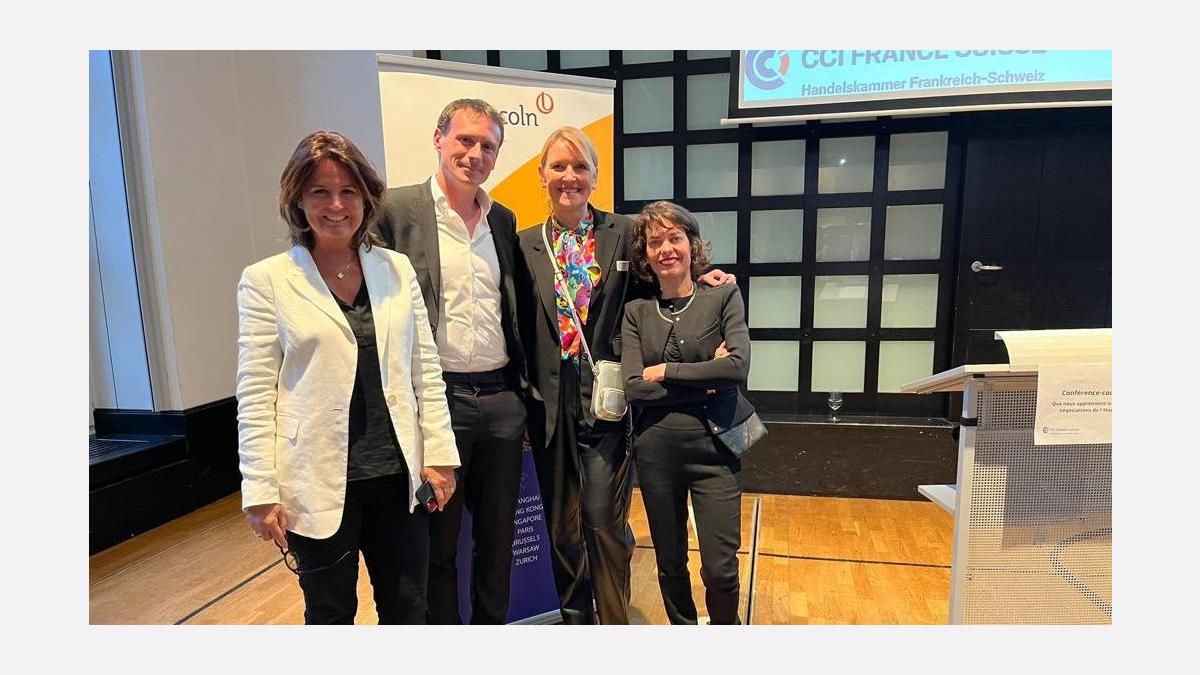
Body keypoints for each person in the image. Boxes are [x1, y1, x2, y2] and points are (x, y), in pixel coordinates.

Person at [236, 131, 458, 624]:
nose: (336, 205)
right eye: (320, 191)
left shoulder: (396, 269)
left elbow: (426, 370)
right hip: (314, 479)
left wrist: (441, 456)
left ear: (366, 198)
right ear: (298, 199)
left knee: (409, 610)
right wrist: (260, 490)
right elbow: (255, 394)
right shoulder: (266, 281)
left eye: (348, 192)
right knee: (330, 613)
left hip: (398, 477)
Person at [515, 128, 733, 624]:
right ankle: (576, 620)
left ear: (595, 176)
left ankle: (614, 625)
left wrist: (704, 279)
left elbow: (664, 272)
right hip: (548, 407)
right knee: (562, 528)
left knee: (604, 523)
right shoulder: (523, 243)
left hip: (608, 403)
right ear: (542, 175)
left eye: (580, 167)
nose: (569, 177)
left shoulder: (623, 233)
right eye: (558, 166)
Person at [372, 99, 528, 625]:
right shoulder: (394, 211)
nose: (475, 154)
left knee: (497, 544)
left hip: (501, 402)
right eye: (465, 140)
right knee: (437, 546)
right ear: (439, 139)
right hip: (438, 404)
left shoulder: (502, 219)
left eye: (488, 146)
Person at [620, 201, 749, 625]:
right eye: (655, 242)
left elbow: (737, 368)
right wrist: (705, 379)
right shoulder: (637, 311)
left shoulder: (723, 295)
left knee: (721, 569)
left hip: (717, 449)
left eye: (675, 238)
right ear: (645, 254)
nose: (666, 249)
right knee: (670, 562)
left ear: (692, 245)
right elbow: (634, 387)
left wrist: (667, 371)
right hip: (656, 454)